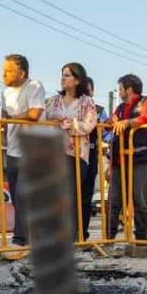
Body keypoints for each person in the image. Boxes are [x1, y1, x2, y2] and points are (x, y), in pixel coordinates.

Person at [45, 63, 97, 241]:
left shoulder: (87, 102)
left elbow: (88, 125)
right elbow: (44, 121)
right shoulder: (53, 101)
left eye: (67, 75)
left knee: (72, 194)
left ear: (77, 80)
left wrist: (67, 123)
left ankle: (72, 234)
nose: (63, 78)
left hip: (76, 154)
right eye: (62, 74)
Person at [107, 74, 147, 250]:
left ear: (128, 89)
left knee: (140, 200)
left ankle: (141, 240)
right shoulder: (120, 107)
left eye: (120, 88)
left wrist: (128, 122)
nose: (119, 92)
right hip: (119, 161)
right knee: (114, 201)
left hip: (140, 159)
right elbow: (112, 123)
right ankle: (108, 238)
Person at [0, 53, 45, 257]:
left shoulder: (34, 86)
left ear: (21, 72)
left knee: (22, 195)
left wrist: (13, 117)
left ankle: (19, 241)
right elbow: (3, 119)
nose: (4, 74)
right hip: (12, 150)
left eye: (8, 70)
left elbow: (35, 114)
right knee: (17, 199)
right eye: (3, 70)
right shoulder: (5, 92)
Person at [81, 77, 110, 240]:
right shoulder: (67, 107)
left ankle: (82, 234)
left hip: (91, 155)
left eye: (89, 91)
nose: (86, 94)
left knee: (86, 196)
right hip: (69, 156)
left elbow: (108, 134)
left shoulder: (99, 111)